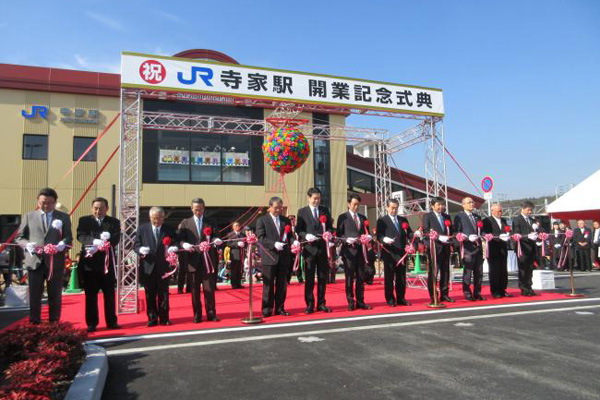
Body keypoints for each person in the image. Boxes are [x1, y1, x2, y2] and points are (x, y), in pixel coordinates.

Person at [16, 187, 73, 324]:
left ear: (55, 202)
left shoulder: (63, 217)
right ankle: (34, 322)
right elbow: (19, 237)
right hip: (35, 261)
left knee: (55, 295)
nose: (46, 205)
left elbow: (68, 238)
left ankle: (54, 323)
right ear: (38, 201)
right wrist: (27, 245)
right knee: (35, 295)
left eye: (50, 202)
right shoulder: (29, 216)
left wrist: (61, 245)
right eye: (43, 202)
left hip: (55, 262)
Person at [76, 197, 121, 332]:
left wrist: (106, 244)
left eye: (101, 208)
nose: (98, 211)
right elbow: (81, 236)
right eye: (95, 208)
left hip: (107, 264)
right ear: (92, 208)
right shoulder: (84, 220)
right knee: (90, 295)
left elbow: (116, 238)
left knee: (109, 295)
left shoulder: (113, 222)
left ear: (106, 209)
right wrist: (94, 241)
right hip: (89, 265)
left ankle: (111, 322)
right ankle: (92, 323)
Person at [178, 198, 223, 323]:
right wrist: (184, 244)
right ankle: (197, 315)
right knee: (194, 291)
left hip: (207, 261)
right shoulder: (185, 223)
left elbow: (216, 235)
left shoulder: (211, 221)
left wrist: (216, 240)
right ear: (192, 209)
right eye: (196, 209)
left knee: (209, 289)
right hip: (193, 261)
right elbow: (180, 239)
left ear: (204, 208)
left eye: (201, 209)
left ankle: (211, 314)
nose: (198, 212)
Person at [135, 207, 177, 326]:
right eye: (154, 218)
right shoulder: (143, 229)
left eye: (160, 218)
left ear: (164, 218)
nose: (157, 220)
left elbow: (175, 242)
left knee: (164, 294)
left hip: (163, 267)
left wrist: (174, 247)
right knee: (150, 294)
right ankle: (152, 318)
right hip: (148, 266)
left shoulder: (168, 229)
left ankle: (164, 318)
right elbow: (136, 245)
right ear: (150, 217)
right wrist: (140, 249)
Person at [295, 187, 333, 314]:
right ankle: (310, 304)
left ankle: (321, 303)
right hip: (309, 249)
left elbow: (329, 227)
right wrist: (305, 235)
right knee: (310, 278)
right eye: (315, 198)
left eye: (319, 198)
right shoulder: (302, 212)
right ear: (309, 198)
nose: (317, 201)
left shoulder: (324, 210)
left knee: (323, 277)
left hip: (322, 248)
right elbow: (298, 230)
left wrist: (329, 233)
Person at [256, 197, 293, 317]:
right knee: (268, 285)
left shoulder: (285, 220)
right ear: (270, 207)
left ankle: (280, 308)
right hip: (270, 257)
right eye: (276, 207)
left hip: (283, 257)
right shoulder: (262, 220)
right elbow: (261, 238)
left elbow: (290, 236)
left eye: (280, 207)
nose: (278, 210)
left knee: (282, 285)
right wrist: (273, 244)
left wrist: (294, 241)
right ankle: (267, 309)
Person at [336, 194, 372, 311]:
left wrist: (368, 237)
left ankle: (361, 301)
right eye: (354, 204)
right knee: (350, 278)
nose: (356, 207)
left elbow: (367, 231)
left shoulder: (363, 217)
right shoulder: (343, 217)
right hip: (349, 252)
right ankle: (350, 301)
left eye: (358, 205)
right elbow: (338, 235)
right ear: (348, 204)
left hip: (361, 251)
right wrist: (346, 239)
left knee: (361, 277)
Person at [376, 198, 413, 306]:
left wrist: (416, 234)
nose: (394, 210)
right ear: (387, 207)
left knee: (401, 277)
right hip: (389, 252)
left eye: (396, 208)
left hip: (402, 253)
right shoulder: (382, 220)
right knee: (389, 278)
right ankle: (390, 299)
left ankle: (401, 298)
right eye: (392, 208)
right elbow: (379, 235)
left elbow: (409, 233)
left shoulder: (403, 220)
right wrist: (384, 239)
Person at [422, 197, 454, 303]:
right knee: (433, 273)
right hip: (434, 249)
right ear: (432, 206)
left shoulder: (447, 217)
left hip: (445, 248)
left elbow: (451, 231)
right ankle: (433, 295)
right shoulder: (428, 216)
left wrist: (450, 239)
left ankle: (444, 294)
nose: (440, 207)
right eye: (438, 205)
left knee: (445, 272)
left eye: (442, 204)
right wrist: (438, 237)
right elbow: (426, 232)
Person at [453, 197, 485, 301]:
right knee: (468, 272)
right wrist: (466, 236)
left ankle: (478, 293)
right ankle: (467, 293)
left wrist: (485, 235)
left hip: (478, 247)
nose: (472, 204)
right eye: (469, 202)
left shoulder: (477, 217)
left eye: (472, 202)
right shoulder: (459, 217)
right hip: (467, 248)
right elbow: (456, 232)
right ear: (463, 205)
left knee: (479, 272)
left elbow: (482, 230)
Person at [482, 204, 512, 298]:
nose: (500, 213)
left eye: (501, 211)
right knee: (494, 270)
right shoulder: (487, 220)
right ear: (492, 211)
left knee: (503, 270)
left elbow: (507, 230)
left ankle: (503, 289)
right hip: (493, 247)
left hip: (503, 247)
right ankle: (495, 290)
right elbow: (486, 233)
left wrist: (507, 234)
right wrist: (498, 237)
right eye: (498, 211)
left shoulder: (503, 220)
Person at [511, 201, 539, 296]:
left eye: (531, 210)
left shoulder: (532, 220)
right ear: (522, 209)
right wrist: (527, 236)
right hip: (522, 248)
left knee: (530, 269)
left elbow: (537, 231)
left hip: (531, 247)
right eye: (528, 210)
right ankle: (523, 288)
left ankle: (529, 287)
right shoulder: (517, 220)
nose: (530, 212)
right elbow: (516, 233)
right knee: (523, 269)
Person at [225, 221, 246, 289]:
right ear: (233, 227)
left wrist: (244, 244)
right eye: (236, 225)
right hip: (234, 254)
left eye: (239, 225)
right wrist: (237, 244)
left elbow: (246, 243)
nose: (238, 227)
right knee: (234, 270)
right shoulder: (230, 234)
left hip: (241, 254)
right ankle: (234, 284)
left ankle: (239, 283)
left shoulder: (243, 234)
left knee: (240, 270)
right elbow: (228, 244)